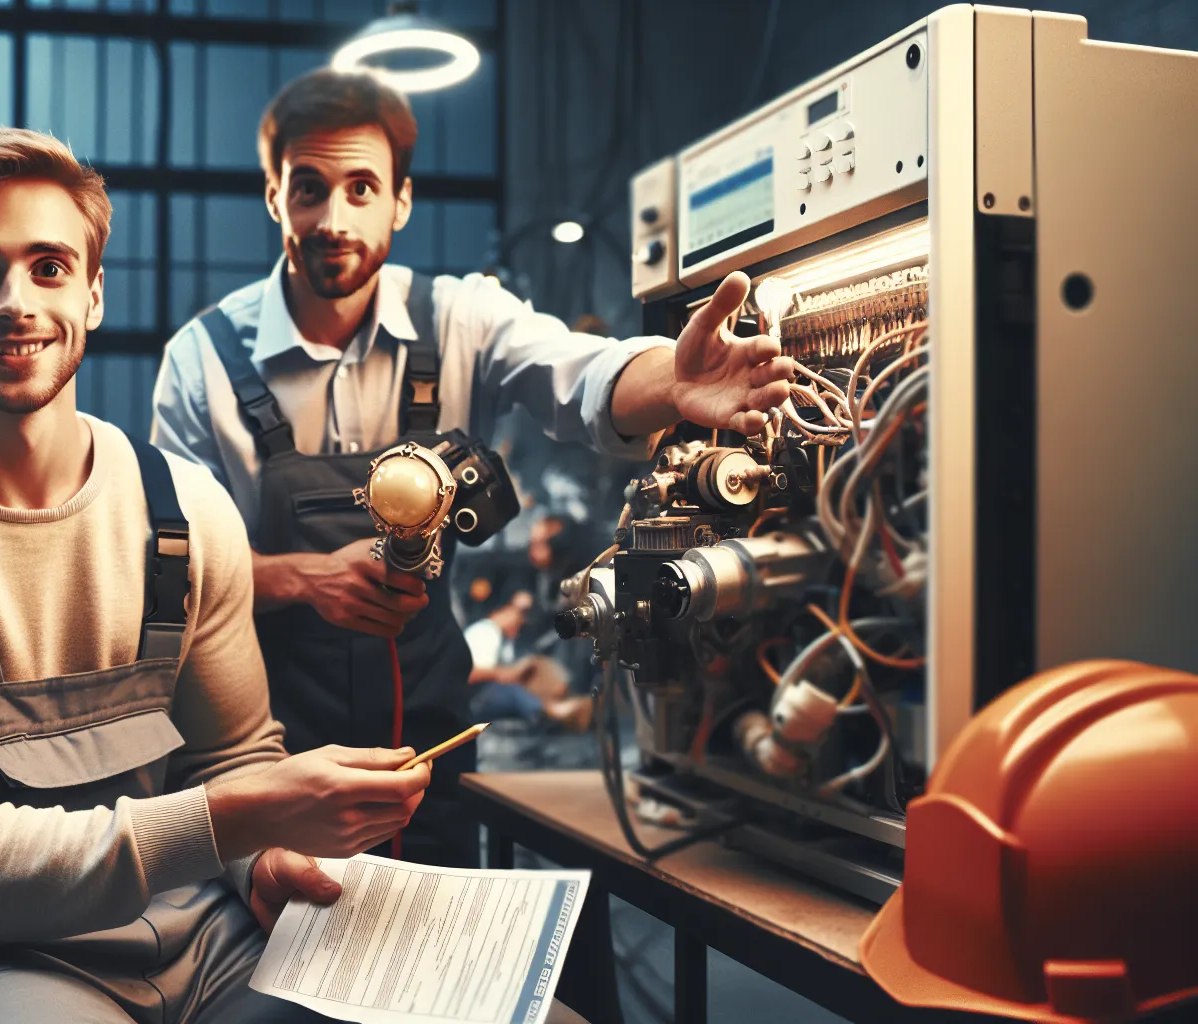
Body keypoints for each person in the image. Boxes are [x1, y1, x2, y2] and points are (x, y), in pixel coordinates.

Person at [0, 127, 430, 1024]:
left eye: (49, 268)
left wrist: (263, 860)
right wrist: (230, 821)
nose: (16, 303)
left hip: (205, 943)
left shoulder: (186, 509)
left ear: (93, 293)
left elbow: (232, 757)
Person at [150, 69, 794, 867]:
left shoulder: (461, 318)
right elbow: (176, 562)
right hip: (264, 740)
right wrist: (304, 579)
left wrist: (673, 382)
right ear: (274, 196)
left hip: (429, 739)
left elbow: (580, 372)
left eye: (361, 189)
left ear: (401, 201)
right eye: (309, 189)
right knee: (280, 934)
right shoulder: (203, 362)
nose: (334, 219)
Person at [465, 590, 590, 733]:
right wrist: (503, 674)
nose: (522, 621)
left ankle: (565, 706)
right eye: (520, 614)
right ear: (504, 610)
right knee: (510, 689)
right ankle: (550, 712)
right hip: (474, 700)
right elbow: (468, 674)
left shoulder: (505, 640)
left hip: (491, 695)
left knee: (536, 667)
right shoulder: (484, 632)